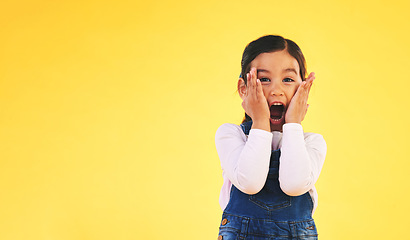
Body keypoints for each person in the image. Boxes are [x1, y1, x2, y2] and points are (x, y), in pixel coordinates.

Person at [215, 35, 327, 240]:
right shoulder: (231, 135)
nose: (276, 90)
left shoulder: (312, 143)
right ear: (244, 88)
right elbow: (250, 183)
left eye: (288, 79)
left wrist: (293, 124)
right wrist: (260, 122)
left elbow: (293, 185)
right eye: (264, 79)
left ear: (304, 89)